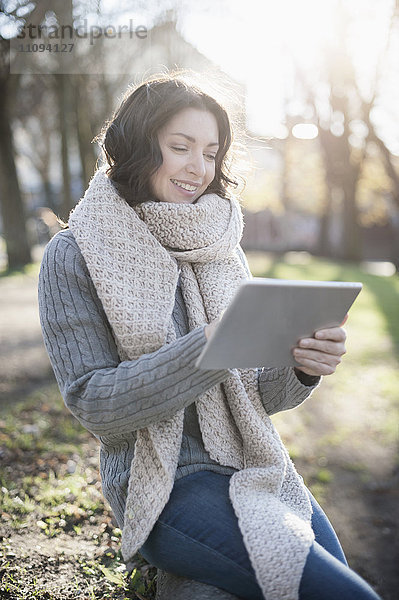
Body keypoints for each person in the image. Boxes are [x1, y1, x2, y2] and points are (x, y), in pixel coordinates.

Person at [38, 72, 382, 600]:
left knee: (335, 583)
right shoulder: (77, 253)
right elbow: (95, 406)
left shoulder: (221, 243)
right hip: (164, 486)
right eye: (180, 147)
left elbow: (257, 393)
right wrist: (209, 346)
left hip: (251, 463)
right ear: (134, 146)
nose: (198, 168)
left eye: (211, 153)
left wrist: (301, 365)